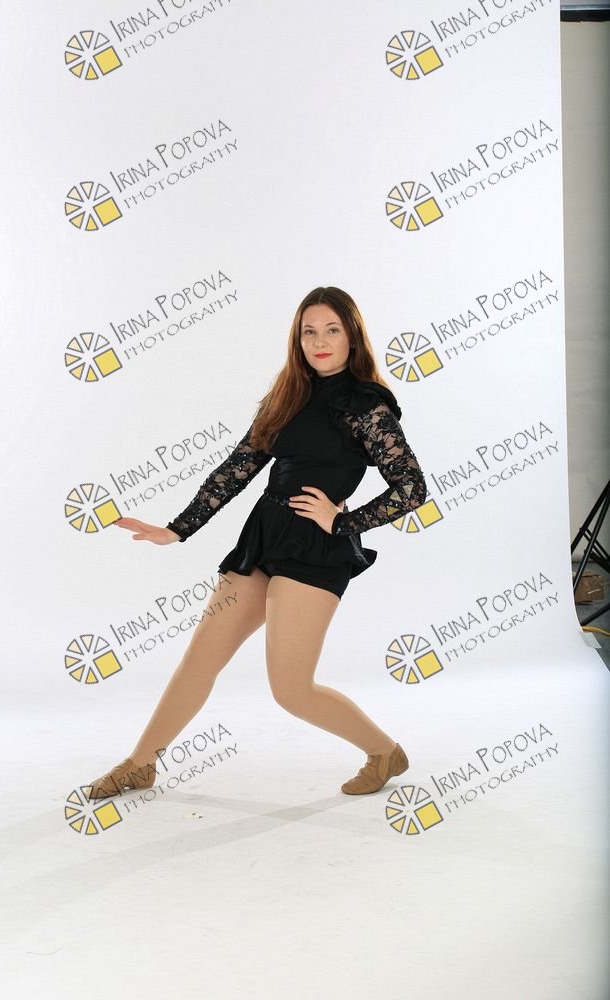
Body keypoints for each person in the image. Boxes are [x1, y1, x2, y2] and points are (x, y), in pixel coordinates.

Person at [87, 286, 427, 801]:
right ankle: (140, 764)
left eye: (332, 330)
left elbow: (412, 488)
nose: (320, 342)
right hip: (264, 537)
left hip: (316, 550)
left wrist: (343, 522)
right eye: (309, 332)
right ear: (297, 339)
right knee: (200, 659)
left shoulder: (365, 405)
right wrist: (178, 528)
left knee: (290, 690)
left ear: (352, 337)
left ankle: (384, 752)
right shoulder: (288, 394)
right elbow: (238, 467)